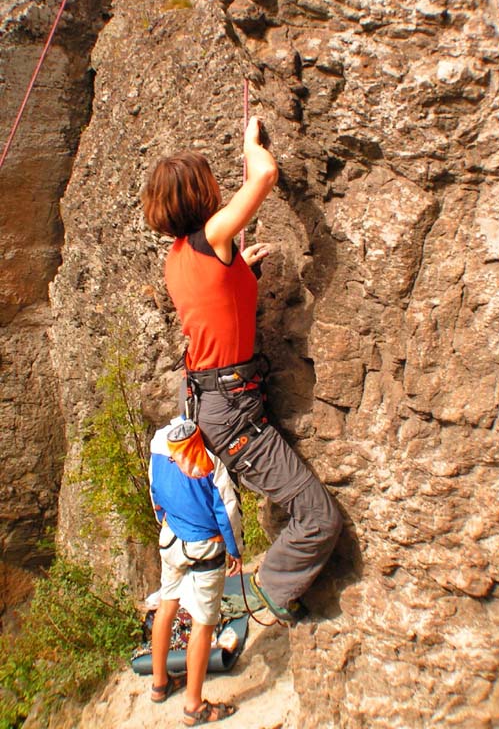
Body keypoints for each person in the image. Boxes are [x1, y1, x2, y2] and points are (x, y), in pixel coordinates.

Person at [142, 116, 342, 624]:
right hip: (232, 410)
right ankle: (271, 592)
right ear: (202, 194)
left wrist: (242, 274)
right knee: (317, 517)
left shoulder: (179, 255)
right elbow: (265, 177)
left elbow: (211, 306)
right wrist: (253, 144)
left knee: (298, 501)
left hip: (216, 399)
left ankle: (263, 583)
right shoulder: (212, 237)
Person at [149, 418, 242, 726]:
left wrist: (164, 517)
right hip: (204, 546)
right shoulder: (209, 461)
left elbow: (155, 493)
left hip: (171, 538)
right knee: (202, 625)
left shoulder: (160, 450)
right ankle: (193, 706)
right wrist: (235, 549)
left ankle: (159, 683)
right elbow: (226, 510)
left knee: (167, 605)